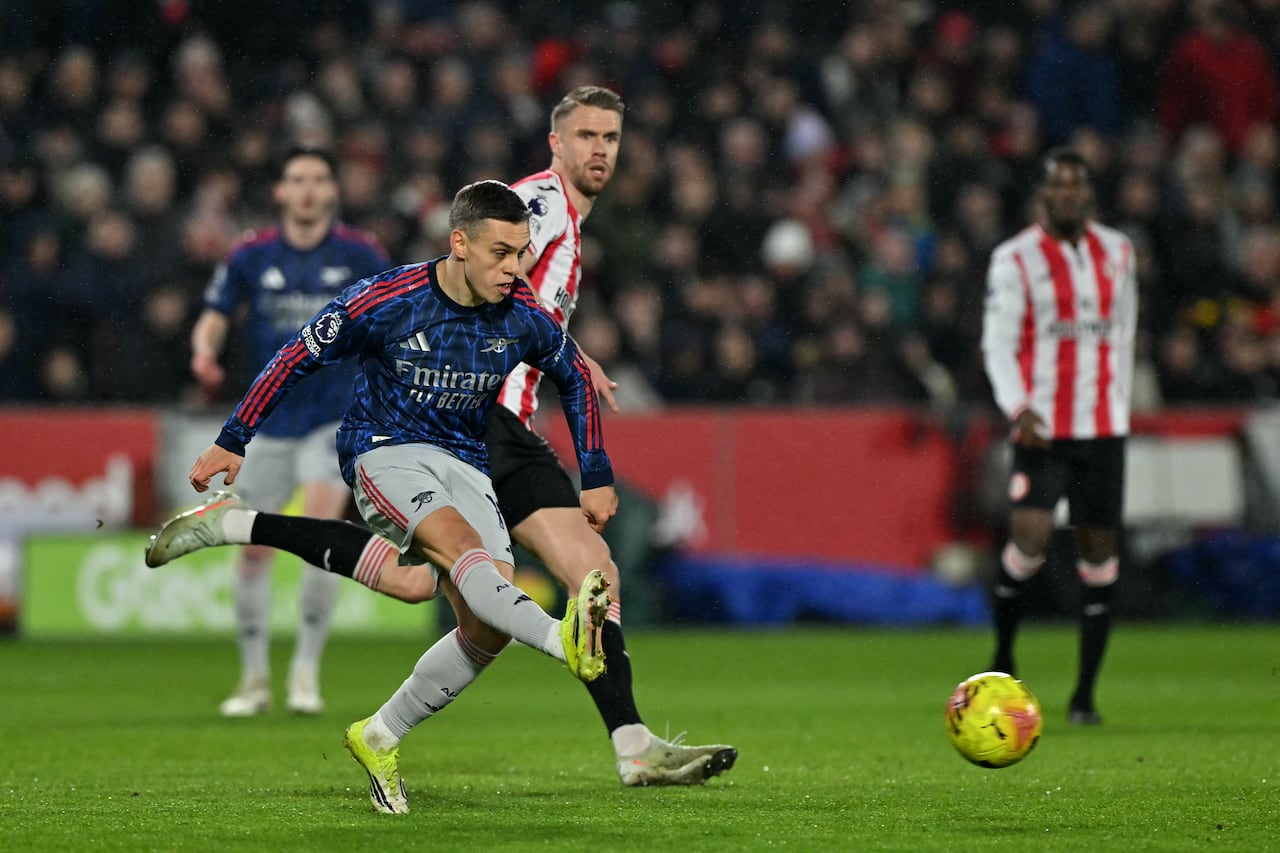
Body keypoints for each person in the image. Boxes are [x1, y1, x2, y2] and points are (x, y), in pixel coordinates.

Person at [286, 86, 737, 785]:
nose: (598, 150)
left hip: (511, 424)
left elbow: (518, 299)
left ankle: (630, 744)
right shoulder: (543, 203)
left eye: (610, 138)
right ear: (556, 142)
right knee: (462, 585)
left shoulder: (573, 224)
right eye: (584, 135)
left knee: (572, 577)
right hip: (477, 417)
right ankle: (619, 727)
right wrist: (568, 350)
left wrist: (570, 352)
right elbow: (494, 278)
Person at [146, 180, 615, 814]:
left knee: (484, 621)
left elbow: (575, 377)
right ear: (458, 243)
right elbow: (294, 356)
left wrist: (596, 470)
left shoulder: (522, 318)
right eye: (501, 253)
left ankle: (380, 733)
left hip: (467, 462)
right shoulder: (387, 299)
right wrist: (235, 437)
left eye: (522, 253)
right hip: (383, 450)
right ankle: (563, 641)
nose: (515, 268)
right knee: (461, 550)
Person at [189, 146, 390, 717]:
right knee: (253, 550)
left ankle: (305, 671)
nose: (307, 189)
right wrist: (204, 351)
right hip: (267, 425)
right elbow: (215, 310)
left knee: (322, 525)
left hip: (334, 420)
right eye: (296, 178)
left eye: (318, 179)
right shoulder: (251, 253)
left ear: (332, 192)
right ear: (279, 191)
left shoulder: (360, 253)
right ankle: (254, 678)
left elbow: (392, 315)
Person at [980, 147, 1137, 726]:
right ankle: (1002, 655)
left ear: (1088, 194)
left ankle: (1084, 695)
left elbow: (1123, 331)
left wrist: (1119, 403)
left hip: (1101, 428)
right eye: (1057, 188)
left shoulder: (1118, 251)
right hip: (1041, 427)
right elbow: (997, 343)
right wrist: (1018, 406)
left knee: (1099, 552)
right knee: (1030, 539)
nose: (1068, 196)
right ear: (1043, 195)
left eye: (1077, 187)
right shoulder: (1014, 259)